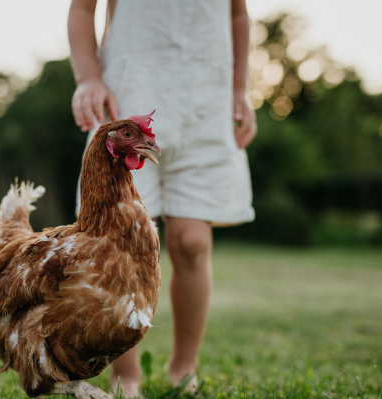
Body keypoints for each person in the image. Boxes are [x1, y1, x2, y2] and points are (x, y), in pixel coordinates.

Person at [68, 0, 257, 396]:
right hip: (128, 94)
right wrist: (88, 78)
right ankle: (126, 373)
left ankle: (184, 367)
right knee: (118, 243)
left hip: (206, 102)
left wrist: (240, 88)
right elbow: (83, 9)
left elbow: (238, 14)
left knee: (191, 242)